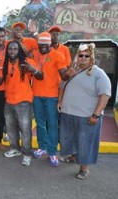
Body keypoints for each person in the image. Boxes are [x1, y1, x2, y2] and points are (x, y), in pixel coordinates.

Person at [59, 43, 111, 179]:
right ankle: (73, 157)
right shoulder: (73, 70)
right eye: (80, 55)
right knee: (70, 139)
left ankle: (84, 168)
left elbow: (105, 95)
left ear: (91, 57)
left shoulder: (99, 74)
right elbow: (62, 86)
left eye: (86, 56)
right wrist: (60, 101)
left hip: (86, 115)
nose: (82, 58)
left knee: (85, 142)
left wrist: (96, 115)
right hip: (68, 113)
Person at [0, 40, 42, 166]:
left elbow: (41, 76)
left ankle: (27, 154)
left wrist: (33, 70)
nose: (12, 51)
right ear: (7, 51)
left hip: (24, 102)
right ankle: (15, 148)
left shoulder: (27, 62)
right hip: (9, 101)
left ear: (19, 50)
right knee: (11, 129)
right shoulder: (5, 63)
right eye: (10, 49)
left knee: (25, 130)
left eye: (15, 49)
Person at [32, 32, 71, 167]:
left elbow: (64, 75)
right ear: (38, 44)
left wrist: (69, 74)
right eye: (41, 44)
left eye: (45, 45)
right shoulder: (35, 54)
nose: (43, 47)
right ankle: (42, 147)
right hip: (36, 95)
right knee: (40, 123)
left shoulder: (57, 55)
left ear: (50, 44)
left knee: (52, 124)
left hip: (52, 97)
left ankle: (52, 151)